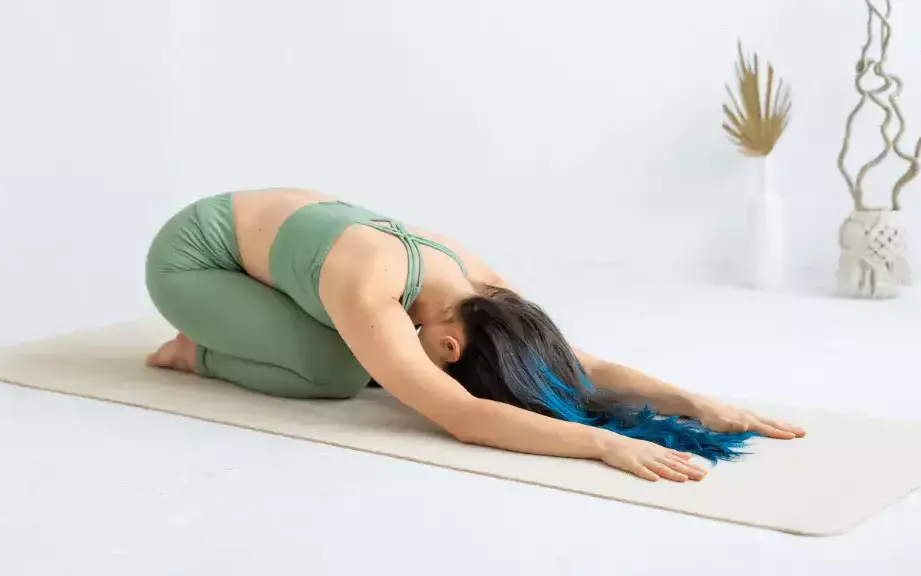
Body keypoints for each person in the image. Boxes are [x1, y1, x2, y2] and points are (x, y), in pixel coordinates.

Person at [145, 188, 806, 482]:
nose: (435, 366)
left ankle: (247, 322)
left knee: (365, 358)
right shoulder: (370, 283)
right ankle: (192, 349)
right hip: (193, 259)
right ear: (452, 348)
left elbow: (575, 361)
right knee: (337, 373)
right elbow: (459, 415)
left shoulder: (477, 286)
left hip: (270, 248)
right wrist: (599, 444)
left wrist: (694, 402)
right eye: (445, 364)